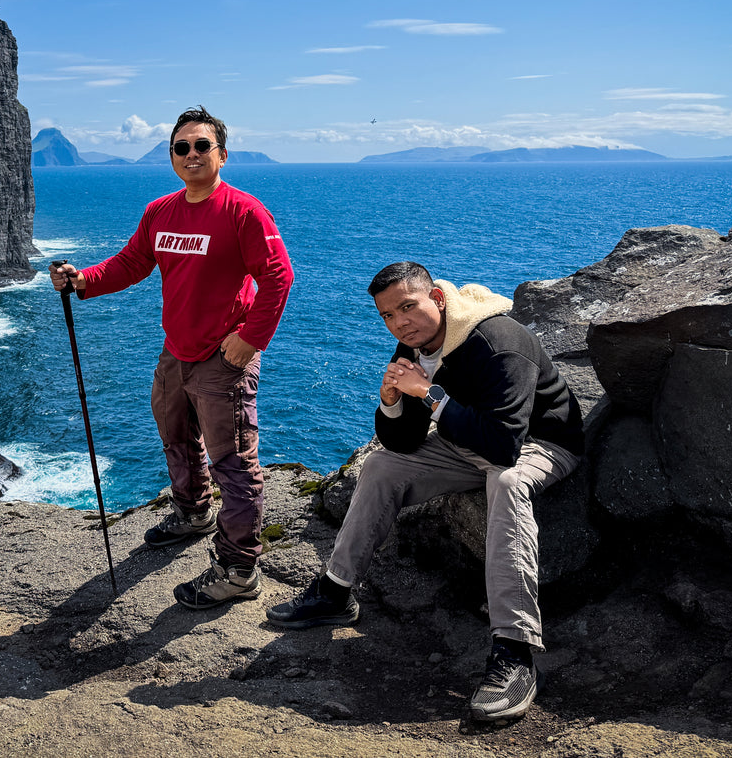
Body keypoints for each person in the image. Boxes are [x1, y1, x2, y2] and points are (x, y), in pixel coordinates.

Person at [265, 261, 584, 722]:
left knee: (507, 482)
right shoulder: (416, 344)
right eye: (388, 316)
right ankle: (335, 593)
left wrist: (431, 395)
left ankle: (515, 651)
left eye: (407, 307)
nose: (400, 323)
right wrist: (392, 404)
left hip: (539, 443)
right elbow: (404, 443)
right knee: (380, 465)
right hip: (467, 441)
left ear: (437, 298)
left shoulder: (500, 343)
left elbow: (502, 445)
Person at [50, 106, 294, 610]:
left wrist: (250, 340)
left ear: (222, 154)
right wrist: (82, 281)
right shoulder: (161, 212)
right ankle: (192, 512)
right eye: (181, 147)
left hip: (223, 356)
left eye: (202, 146)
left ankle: (238, 567)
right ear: (172, 157)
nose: (191, 155)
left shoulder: (244, 211)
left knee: (233, 462)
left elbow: (278, 276)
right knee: (175, 434)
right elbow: (134, 262)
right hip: (176, 351)